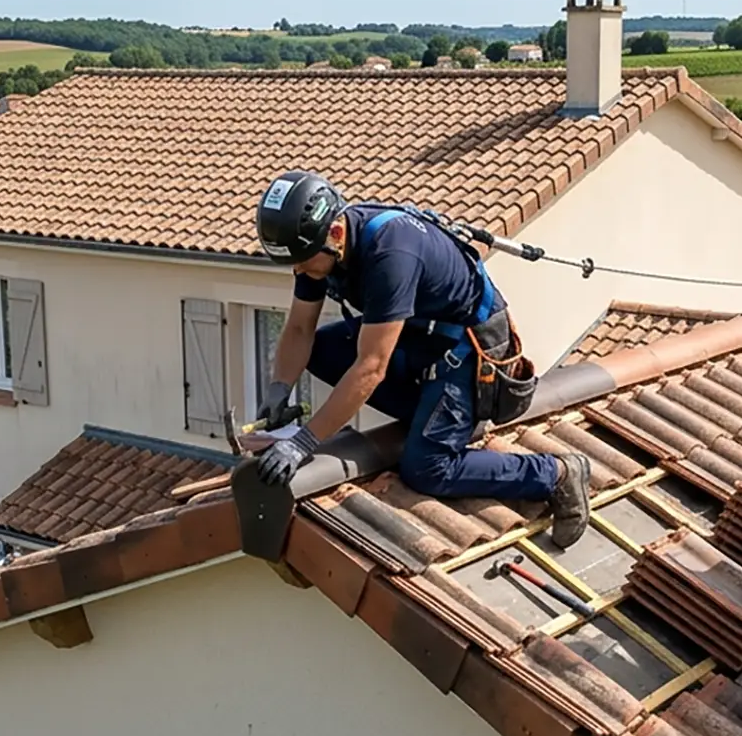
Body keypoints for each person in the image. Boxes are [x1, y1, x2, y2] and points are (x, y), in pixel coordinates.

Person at [248, 169, 593, 547]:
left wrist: (303, 443)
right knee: (322, 349)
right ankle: (437, 421)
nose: (299, 270)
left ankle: (556, 473)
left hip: (467, 354)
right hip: (419, 338)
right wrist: (279, 390)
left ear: (334, 233)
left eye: (303, 261)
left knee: (427, 468)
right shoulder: (319, 248)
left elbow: (371, 367)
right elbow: (299, 330)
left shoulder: (390, 254)